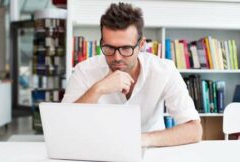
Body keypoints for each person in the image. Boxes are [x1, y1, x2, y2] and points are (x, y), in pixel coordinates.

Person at [62, 2, 202, 147]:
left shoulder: (164, 70)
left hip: (151, 152)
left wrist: (142, 140)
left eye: (126, 48)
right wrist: (98, 89)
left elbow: (194, 130)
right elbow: (63, 126)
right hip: (97, 150)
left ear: (141, 45)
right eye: (109, 47)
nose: (117, 57)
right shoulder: (84, 71)